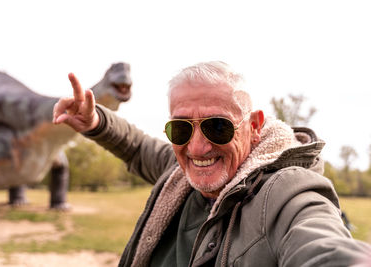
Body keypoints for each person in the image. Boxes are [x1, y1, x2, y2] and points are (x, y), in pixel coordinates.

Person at [53, 61, 371, 267]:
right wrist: (95, 120)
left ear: (255, 126)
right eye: (180, 128)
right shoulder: (179, 173)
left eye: (217, 127)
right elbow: (137, 147)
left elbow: (322, 245)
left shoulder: (285, 191)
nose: (196, 147)